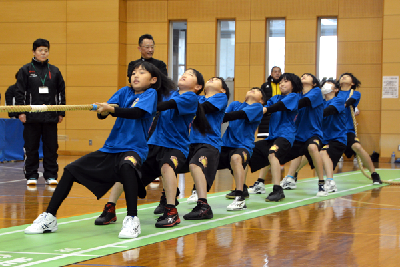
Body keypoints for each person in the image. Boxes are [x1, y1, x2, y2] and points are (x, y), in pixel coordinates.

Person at [24, 61, 174, 238]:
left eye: (141, 73)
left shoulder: (151, 94)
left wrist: (111, 109)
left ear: (153, 79)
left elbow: (136, 114)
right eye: (134, 72)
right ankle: (49, 217)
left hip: (133, 149)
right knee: (71, 170)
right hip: (110, 149)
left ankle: (132, 220)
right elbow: (104, 112)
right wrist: (103, 111)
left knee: (127, 166)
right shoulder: (124, 92)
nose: (136, 76)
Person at [15, 39, 66, 186]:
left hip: (50, 116)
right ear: (34, 52)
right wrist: (21, 111)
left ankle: (51, 175)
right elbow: (20, 93)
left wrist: (61, 111)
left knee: (51, 147)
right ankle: (31, 175)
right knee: (31, 146)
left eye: (46, 50)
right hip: (31, 116)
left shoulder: (55, 71)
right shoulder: (25, 70)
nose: (43, 53)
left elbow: (61, 92)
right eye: (40, 50)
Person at [181, 77, 229, 220]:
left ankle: (203, 206)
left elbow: (206, 108)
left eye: (215, 80)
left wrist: (182, 102)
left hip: (209, 143)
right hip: (190, 143)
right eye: (211, 78)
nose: (211, 79)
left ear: (223, 89)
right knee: (168, 164)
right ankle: (167, 200)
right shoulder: (198, 98)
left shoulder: (220, 97)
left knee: (195, 165)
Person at [248, 73, 301, 202]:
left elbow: (277, 107)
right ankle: (242, 188)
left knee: (273, 153)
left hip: (286, 136)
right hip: (272, 136)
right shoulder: (275, 97)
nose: (282, 83)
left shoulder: (294, 97)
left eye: (286, 81)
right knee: (246, 151)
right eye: (281, 81)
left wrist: (266, 110)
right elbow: (265, 106)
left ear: (293, 85)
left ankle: (277, 189)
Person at [278, 73, 327, 197]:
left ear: (314, 83)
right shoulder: (297, 95)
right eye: (302, 75)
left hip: (313, 133)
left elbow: (303, 102)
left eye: (307, 75)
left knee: (312, 147)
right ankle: (287, 178)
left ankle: (322, 183)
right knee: (275, 152)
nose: (303, 76)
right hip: (297, 134)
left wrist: (284, 104)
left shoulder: (316, 92)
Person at [218, 87, 266, 210]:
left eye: (257, 90)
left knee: (236, 158)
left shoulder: (257, 108)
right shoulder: (235, 104)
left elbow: (236, 115)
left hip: (243, 146)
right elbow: (221, 117)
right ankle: (198, 194)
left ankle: (240, 198)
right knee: (205, 159)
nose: (253, 90)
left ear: (261, 100)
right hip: (225, 145)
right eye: (251, 89)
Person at [338, 73, 382, 184]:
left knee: (357, 147)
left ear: (352, 83)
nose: (343, 77)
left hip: (347, 129)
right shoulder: (334, 93)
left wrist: (337, 106)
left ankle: (374, 174)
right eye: (342, 76)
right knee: (314, 147)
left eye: (347, 76)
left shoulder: (355, 93)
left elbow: (349, 102)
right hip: (332, 130)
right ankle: (293, 175)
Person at [258, 66, 282, 138]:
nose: (277, 73)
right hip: (268, 113)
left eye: (279, 71)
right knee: (267, 137)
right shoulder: (265, 86)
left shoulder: (284, 86)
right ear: (271, 74)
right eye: (275, 71)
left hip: (281, 112)